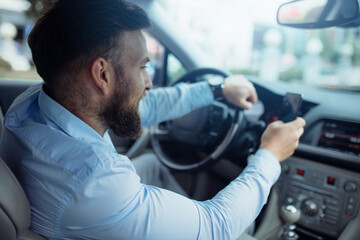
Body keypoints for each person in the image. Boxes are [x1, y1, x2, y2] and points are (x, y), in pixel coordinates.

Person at [0, 0, 306, 239]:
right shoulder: (93, 180)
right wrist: (269, 155)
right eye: (143, 67)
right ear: (102, 75)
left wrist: (217, 89)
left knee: (153, 165)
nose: (149, 83)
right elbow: (215, 227)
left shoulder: (33, 104)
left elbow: (145, 107)